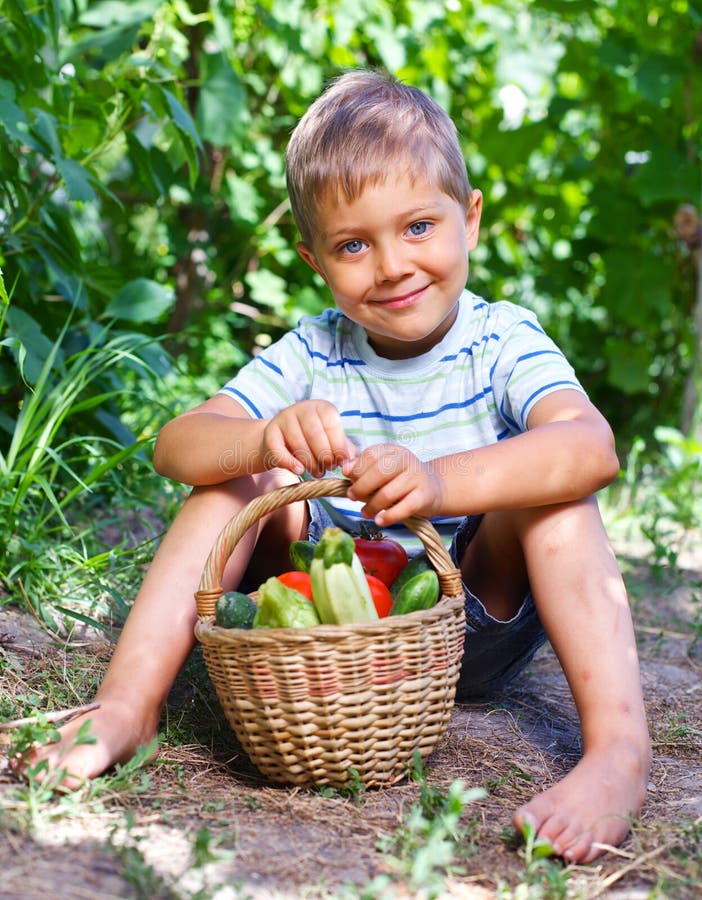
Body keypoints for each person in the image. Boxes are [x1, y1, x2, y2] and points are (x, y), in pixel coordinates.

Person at [21, 69, 650, 864]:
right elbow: (175, 444)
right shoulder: (313, 352)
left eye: (419, 226)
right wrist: (261, 441)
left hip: (461, 624)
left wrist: (441, 480)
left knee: (557, 495)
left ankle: (618, 754)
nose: (391, 265)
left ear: (472, 219)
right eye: (354, 244)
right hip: (312, 623)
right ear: (315, 260)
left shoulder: (502, 341)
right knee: (237, 479)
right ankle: (126, 705)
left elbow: (591, 447)